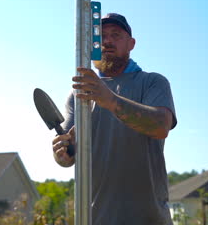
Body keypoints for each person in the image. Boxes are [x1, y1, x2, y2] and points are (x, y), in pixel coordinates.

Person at [52, 13, 177, 224]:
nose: (107, 41)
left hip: (149, 218)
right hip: (95, 218)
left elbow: (160, 125)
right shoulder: (79, 94)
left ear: (131, 44)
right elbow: (67, 155)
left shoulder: (152, 82)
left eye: (116, 35)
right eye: (101, 36)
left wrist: (110, 100)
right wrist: (61, 153)